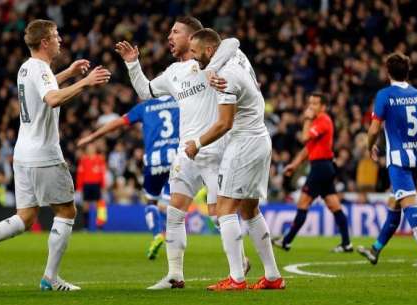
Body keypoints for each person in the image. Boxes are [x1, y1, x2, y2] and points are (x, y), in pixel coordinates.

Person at [0, 19, 112, 291]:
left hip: (23, 153)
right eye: (56, 35)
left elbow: (46, 86)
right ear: (45, 42)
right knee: (66, 211)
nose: (60, 39)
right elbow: (51, 98)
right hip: (44, 153)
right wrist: (85, 82)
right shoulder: (41, 70)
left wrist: (69, 73)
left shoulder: (27, 68)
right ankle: (50, 279)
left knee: (25, 217)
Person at [115, 16, 244, 289]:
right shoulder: (173, 72)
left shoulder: (211, 62)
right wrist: (132, 63)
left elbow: (232, 43)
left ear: (193, 37)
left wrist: (213, 65)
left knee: (219, 213)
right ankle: (175, 275)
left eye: (175, 32)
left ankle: (238, 267)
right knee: (174, 211)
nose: (169, 37)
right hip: (186, 152)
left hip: (214, 150)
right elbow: (145, 91)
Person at [186, 28, 284, 291]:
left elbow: (225, 124)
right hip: (261, 138)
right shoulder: (235, 55)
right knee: (250, 210)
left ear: (209, 51)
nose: (194, 60)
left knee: (224, 210)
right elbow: (231, 41)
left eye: (196, 54)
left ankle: (236, 278)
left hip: (243, 143)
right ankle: (273, 276)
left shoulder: (225, 77)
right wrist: (209, 70)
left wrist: (197, 143)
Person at [357, 52, 417, 267]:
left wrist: (369, 145)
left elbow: (374, 129)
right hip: (414, 159)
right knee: (394, 206)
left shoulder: (385, 95)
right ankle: (375, 250)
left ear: (387, 72)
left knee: (410, 206)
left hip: (397, 161)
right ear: (407, 71)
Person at [78, 96, 180, 260]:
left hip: (153, 162)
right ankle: (172, 240)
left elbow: (117, 123)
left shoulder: (144, 107)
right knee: (173, 204)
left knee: (151, 201)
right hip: (176, 160)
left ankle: (157, 234)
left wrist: (92, 137)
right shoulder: (179, 101)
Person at [272, 93, 353, 253]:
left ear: (323, 107)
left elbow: (304, 138)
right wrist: (294, 165)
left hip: (320, 168)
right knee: (334, 205)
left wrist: (307, 119)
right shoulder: (319, 121)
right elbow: (308, 148)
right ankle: (346, 243)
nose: (310, 107)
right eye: (309, 104)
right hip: (324, 167)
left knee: (303, 204)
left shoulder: (323, 120)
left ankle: (286, 241)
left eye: (315, 104)